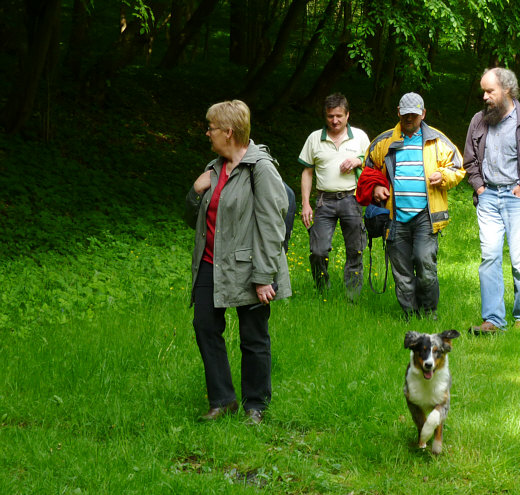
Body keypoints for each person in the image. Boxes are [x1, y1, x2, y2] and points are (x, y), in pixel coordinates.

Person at [184, 100, 292, 425]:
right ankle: (223, 401)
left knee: (253, 336)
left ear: (229, 132)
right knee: (205, 327)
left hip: (251, 266)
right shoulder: (213, 168)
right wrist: (195, 190)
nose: (207, 133)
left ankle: (255, 406)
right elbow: (193, 219)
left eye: (211, 128)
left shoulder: (261, 168)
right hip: (210, 262)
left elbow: (273, 226)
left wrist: (263, 276)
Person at [464, 68, 520, 334]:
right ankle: (493, 320)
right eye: (483, 90)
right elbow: (469, 159)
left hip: (517, 198)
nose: (485, 96)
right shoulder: (479, 121)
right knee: (489, 257)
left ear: (507, 90)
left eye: (489, 91)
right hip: (488, 197)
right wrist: (479, 187)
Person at [359, 92, 464, 320]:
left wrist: (443, 175)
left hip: (426, 215)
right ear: (398, 112)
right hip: (394, 216)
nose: (409, 118)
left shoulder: (437, 140)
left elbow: (457, 168)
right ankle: (409, 314)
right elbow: (368, 170)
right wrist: (376, 188)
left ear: (423, 114)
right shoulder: (384, 141)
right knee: (402, 272)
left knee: (425, 265)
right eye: (405, 114)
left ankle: (428, 313)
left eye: (414, 115)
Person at [299, 93, 371, 299]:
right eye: (330, 116)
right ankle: (322, 290)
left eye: (339, 116)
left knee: (355, 250)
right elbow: (307, 171)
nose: (335, 120)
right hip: (324, 201)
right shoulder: (314, 138)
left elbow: (373, 163)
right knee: (318, 251)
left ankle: (352, 298)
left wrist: (358, 161)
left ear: (348, 115)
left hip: (352, 199)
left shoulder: (359, 137)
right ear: (325, 116)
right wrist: (306, 204)